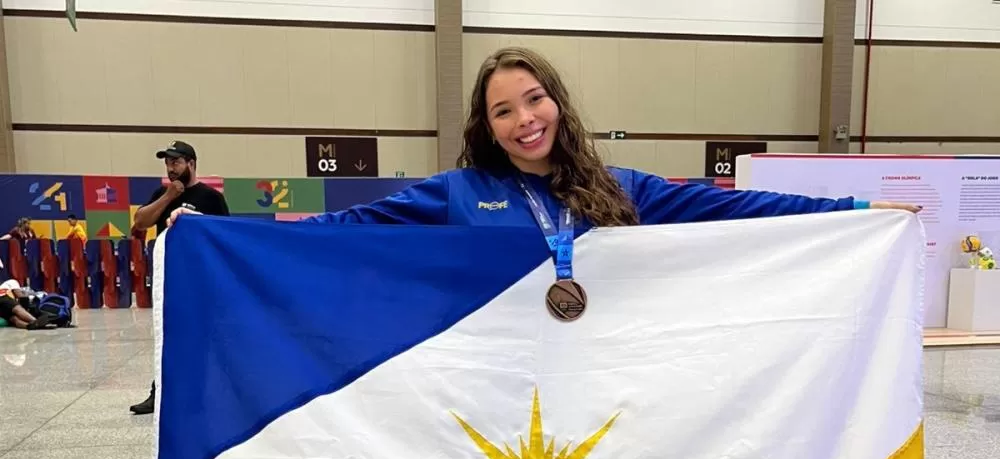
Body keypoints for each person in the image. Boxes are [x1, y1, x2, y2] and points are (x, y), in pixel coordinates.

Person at [171, 47, 918, 232]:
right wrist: (225, 225)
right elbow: (342, 228)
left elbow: (737, 207)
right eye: (504, 111)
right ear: (485, 127)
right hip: (499, 384)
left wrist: (857, 210)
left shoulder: (623, 190)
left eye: (535, 99)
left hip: (600, 385)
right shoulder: (456, 194)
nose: (525, 119)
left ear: (558, 103)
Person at [130, 140, 230, 416]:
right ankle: (159, 392)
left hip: (200, 280)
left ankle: (212, 390)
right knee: (167, 336)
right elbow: (140, 222)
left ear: (191, 164)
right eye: (167, 163)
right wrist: (167, 198)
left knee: (204, 336)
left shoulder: (211, 198)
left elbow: (224, 236)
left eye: (176, 162)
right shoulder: (161, 194)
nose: (170, 168)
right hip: (169, 280)